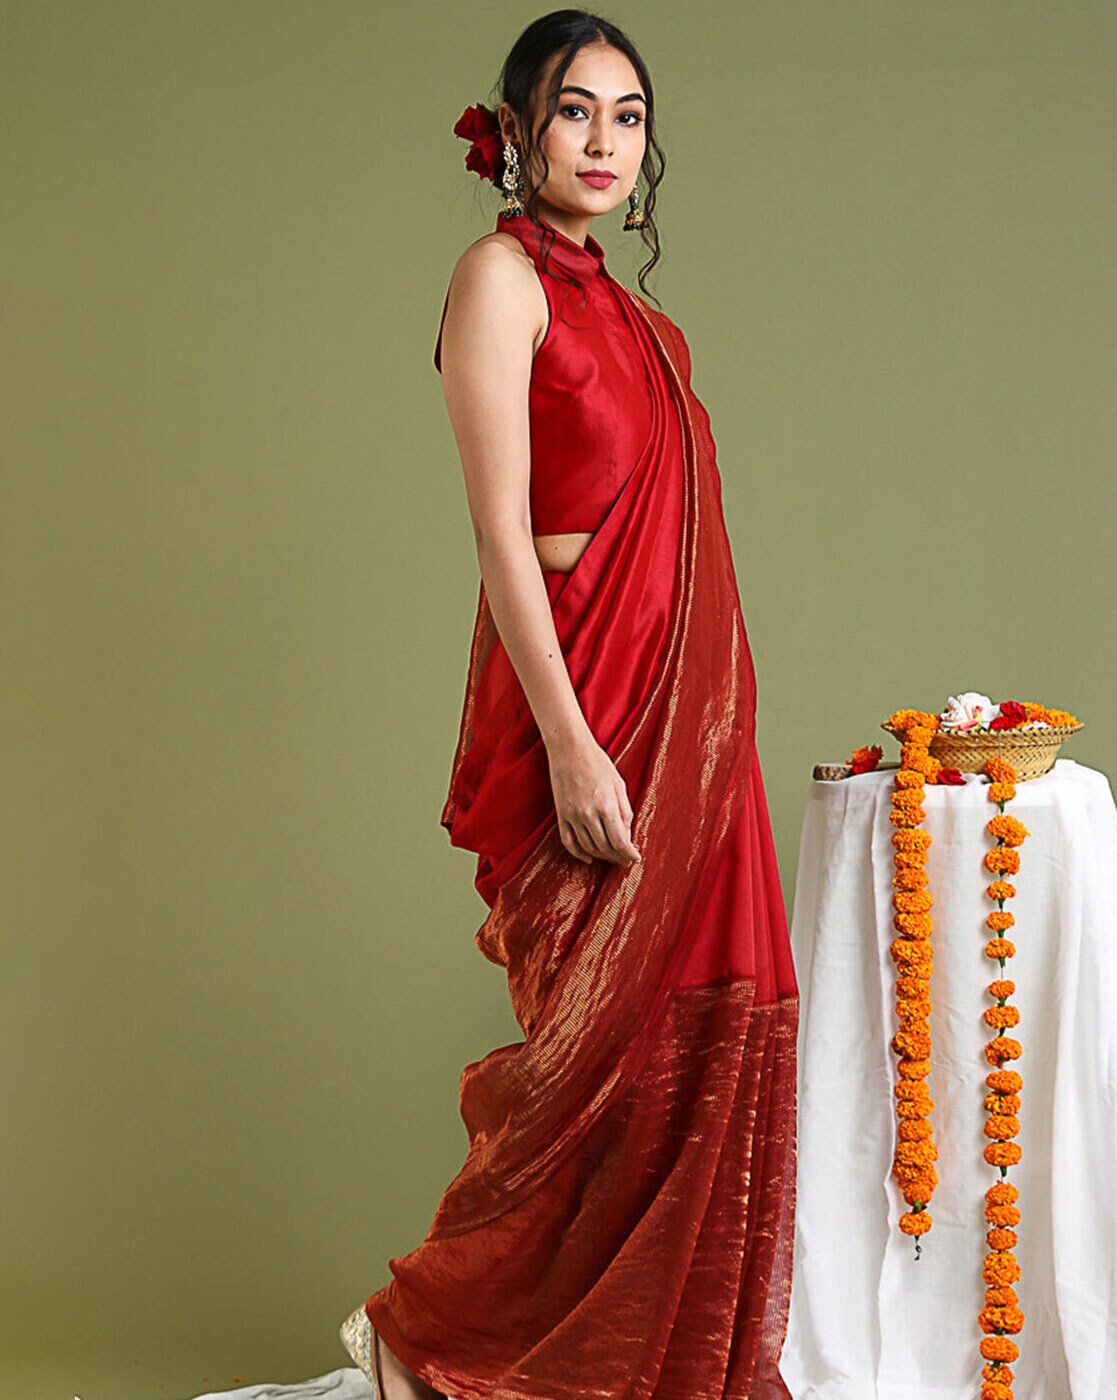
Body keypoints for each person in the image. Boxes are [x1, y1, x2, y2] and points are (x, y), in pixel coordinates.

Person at [340, 10, 799, 1398]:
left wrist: (701, 740)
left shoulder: (645, 320)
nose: (604, 141)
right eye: (574, 110)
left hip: (687, 728)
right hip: (581, 711)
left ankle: (640, 1367)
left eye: (627, 116)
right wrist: (572, 747)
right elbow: (501, 535)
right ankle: (432, 1346)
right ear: (517, 130)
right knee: (588, 1062)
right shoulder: (498, 281)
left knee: (685, 1054)